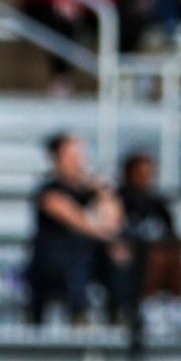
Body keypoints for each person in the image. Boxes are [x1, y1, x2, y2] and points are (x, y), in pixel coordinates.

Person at [23, 133, 125, 324]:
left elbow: (113, 221)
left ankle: (120, 314)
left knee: (118, 260)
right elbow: (77, 222)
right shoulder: (49, 191)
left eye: (80, 155)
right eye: (71, 156)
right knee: (77, 260)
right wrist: (108, 236)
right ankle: (80, 315)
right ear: (56, 158)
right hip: (54, 264)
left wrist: (104, 193)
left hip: (88, 262)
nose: (78, 161)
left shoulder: (90, 191)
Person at [117, 152, 181, 329]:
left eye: (149, 173)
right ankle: (148, 305)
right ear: (128, 173)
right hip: (128, 253)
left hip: (157, 251)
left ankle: (175, 306)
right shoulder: (118, 199)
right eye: (140, 173)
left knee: (173, 253)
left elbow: (171, 232)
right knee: (156, 255)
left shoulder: (158, 203)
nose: (145, 178)